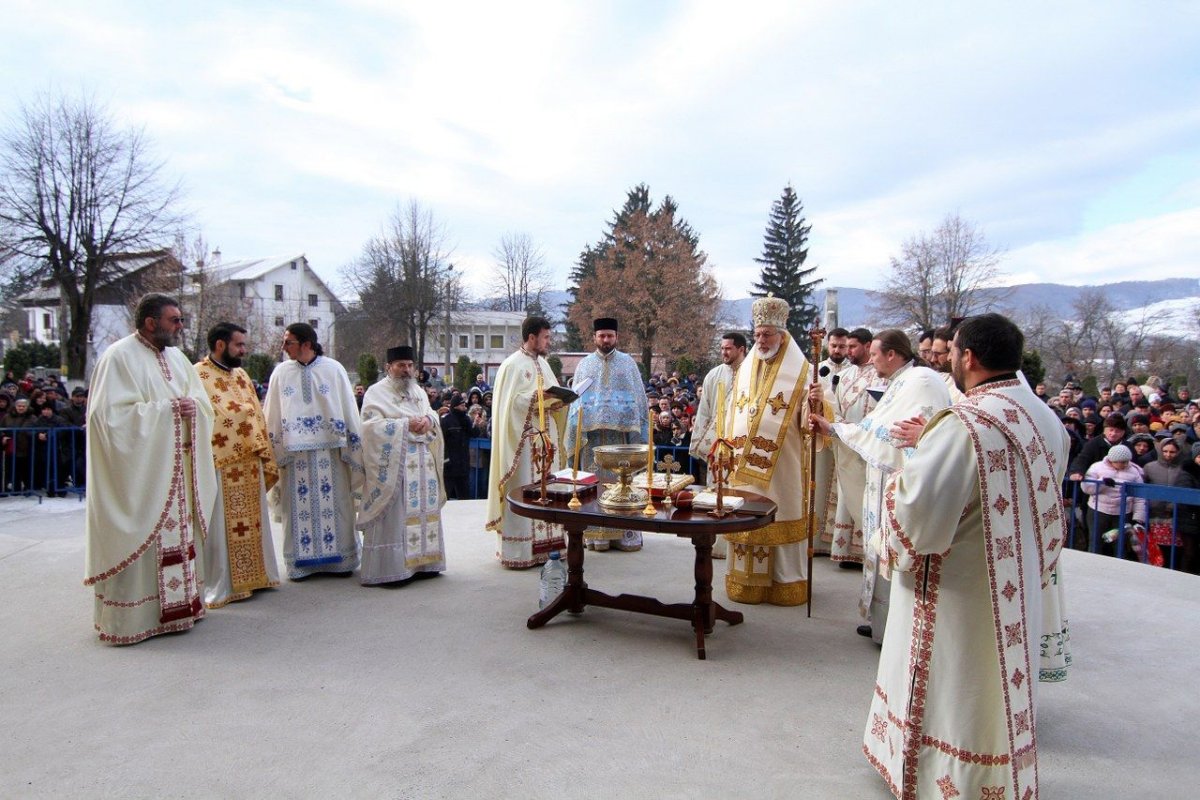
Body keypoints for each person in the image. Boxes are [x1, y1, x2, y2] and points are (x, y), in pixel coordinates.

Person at [862, 313, 1071, 800]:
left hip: (958, 589)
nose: (948, 359)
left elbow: (917, 513)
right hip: (1015, 584)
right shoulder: (1044, 417)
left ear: (968, 357)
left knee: (956, 689)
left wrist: (892, 507)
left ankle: (950, 782)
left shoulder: (964, 426)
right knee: (995, 690)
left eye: (951, 351)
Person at [83, 293, 217, 644]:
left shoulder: (177, 358)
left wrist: (192, 409)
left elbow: (201, 403)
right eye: (174, 320)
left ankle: (182, 608)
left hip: (179, 474)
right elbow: (107, 418)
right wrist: (168, 411)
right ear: (150, 322)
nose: (180, 326)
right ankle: (135, 618)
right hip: (142, 475)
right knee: (144, 535)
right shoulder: (118, 357)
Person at [812, 329, 951, 641]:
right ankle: (881, 624)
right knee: (882, 551)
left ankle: (893, 630)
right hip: (887, 481)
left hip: (904, 485)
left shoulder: (921, 381)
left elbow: (891, 433)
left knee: (894, 554)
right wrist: (833, 428)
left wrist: (836, 429)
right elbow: (874, 427)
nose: (871, 361)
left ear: (892, 354)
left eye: (874, 354)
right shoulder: (903, 381)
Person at [724, 295, 825, 606]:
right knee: (746, 512)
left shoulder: (804, 372)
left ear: (783, 335)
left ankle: (785, 584)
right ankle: (746, 583)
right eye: (757, 334)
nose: (761, 340)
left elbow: (813, 426)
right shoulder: (744, 369)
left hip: (783, 463)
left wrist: (817, 404)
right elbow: (732, 412)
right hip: (742, 462)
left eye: (767, 334)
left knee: (781, 513)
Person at [264, 322, 363, 579]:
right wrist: (276, 451)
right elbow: (272, 413)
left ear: (306, 344)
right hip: (295, 457)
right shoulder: (280, 372)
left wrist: (353, 446)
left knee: (338, 504)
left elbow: (349, 408)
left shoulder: (334, 369)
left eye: (289, 342)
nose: (283, 347)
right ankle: (301, 564)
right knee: (297, 508)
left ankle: (340, 561)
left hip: (332, 453)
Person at [195, 322, 281, 608]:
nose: (244, 350)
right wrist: (243, 421)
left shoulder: (241, 374)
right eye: (239, 345)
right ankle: (225, 585)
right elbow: (206, 417)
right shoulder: (198, 375)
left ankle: (258, 576)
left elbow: (255, 411)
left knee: (254, 523)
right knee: (222, 524)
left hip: (250, 460)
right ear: (221, 345)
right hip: (223, 461)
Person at [357, 346, 447, 584]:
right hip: (395, 464)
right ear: (389, 367)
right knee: (396, 515)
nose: (406, 370)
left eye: (409, 365)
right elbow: (368, 427)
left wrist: (428, 420)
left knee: (423, 512)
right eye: (400, 365)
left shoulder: (418, 391)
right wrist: (405, 424)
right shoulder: (376, 393)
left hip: (422, 461)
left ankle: (425, 563)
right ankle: (392, 569)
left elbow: (432, 414)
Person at [485, 316, 567, 568]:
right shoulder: (511, 366)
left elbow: (552, 396)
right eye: (546, 337)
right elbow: (508, 407)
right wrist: (536, 396)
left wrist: (559, 400)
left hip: (546, 439)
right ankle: (520, 550)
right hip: (523, 441)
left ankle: (550, 546)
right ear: (531, 337)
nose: (548, 342)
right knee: (524, 489)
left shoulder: (544, 364)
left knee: (549, 489)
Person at [564, 318, 649, 553]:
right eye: (601, 336)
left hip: (620, 441)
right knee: (594, 487)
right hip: (592, 440)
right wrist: (575, 428)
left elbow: (639, 399)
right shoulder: (585, 365)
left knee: (622, 484)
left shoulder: (628, 364)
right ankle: (597, 535)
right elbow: (576, 401)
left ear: (616, 337)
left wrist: (634, 426)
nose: (606, 340)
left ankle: (625, 535)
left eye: (610, 336)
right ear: (594, 337)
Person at [821, 327, 877, 566]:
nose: (848, 352)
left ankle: (864, 551)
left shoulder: (880, 375)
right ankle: (844, 550)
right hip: (846, 441)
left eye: (852, 347)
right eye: (846, 346)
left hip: (869, 445)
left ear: (867, 346)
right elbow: (836, 408)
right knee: (846, 495)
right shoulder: (844, 376)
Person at [690, 332, 747, 559]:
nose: (724, 352)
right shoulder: (714, 375)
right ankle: (715, 543)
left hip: (740, 446)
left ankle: (736, 543)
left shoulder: (752, 373)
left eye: (728, 349)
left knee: (738, 493)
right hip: (717, 444)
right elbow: (704, 412)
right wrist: (700, 443)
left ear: (741, 349)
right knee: (715, 492)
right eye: (722, 348)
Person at [811, 327, 854, 558]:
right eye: (834, 346)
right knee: (818, 488)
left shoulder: (853, 373)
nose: (837, 350)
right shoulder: (817, 370)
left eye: (842, 346)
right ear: (828, 345)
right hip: (822, 439)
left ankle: (836, 543)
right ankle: (816, 540)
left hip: (844, 436)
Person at [440, 392, 473, 500]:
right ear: (456, 406)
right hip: (450, 466)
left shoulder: (466, 419)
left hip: (463, 465)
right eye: (462, 405)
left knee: (465, 496)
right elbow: (440, 442)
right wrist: (446, 459)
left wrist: (476, 424)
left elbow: (474, 432)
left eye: (465, 405)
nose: (465, 407)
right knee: (446, 495)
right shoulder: (446, 420)